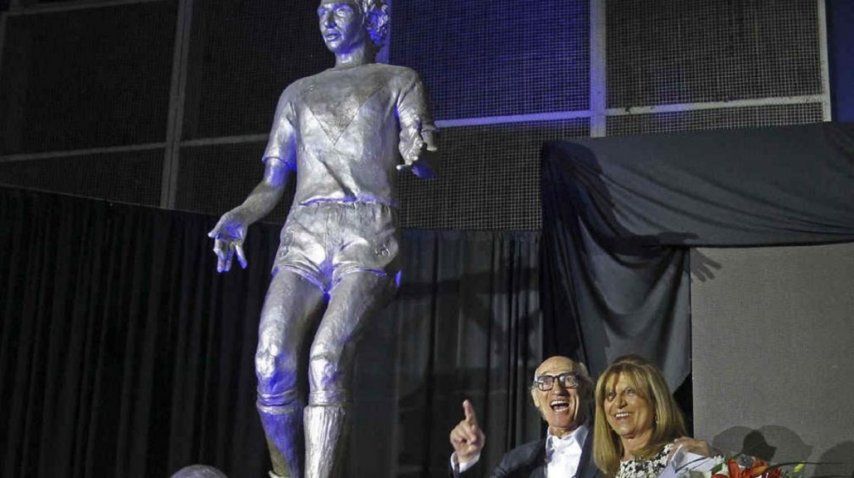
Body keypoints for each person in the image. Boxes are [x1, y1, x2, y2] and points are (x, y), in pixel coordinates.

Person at [206, 1, 437, 477]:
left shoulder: (399, 79)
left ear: (370, 17)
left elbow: (426, 159)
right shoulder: (297, 92)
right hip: (304, 234)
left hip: (366, 231)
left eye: (339, 9)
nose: (326, 21)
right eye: (321, 11)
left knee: (327, 359)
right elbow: (273, 183)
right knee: (270, 362)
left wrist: (418, 154)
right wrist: (240, 215)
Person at [449, 356, 600, 478]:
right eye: (545, 382)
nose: (557, 390)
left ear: (586, 391)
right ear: (536, 399)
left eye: (567, 379)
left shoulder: (614, 448)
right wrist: (467, 460)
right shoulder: (515, 461)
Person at [593, 355, 716, 478]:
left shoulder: (679, 459)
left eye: (630, 392)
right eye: (610, 395)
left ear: (655, 403)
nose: (619, 403)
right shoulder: (608, 472)